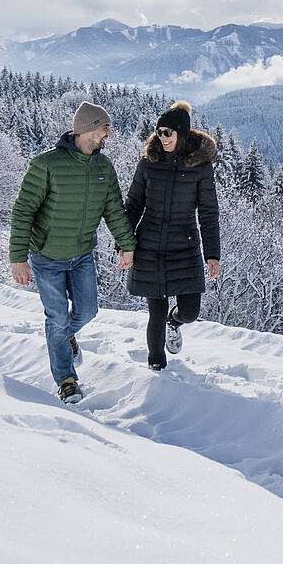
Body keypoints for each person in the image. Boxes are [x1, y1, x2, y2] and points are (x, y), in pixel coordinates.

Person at [9, 101, 134, 402]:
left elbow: (114, 210)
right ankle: (66, 379)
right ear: (89, 129)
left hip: (82, 256)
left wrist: (127, 245)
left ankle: (63, 338)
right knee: (56, 317)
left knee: (88, 310)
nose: (109, 135)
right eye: (105, 128)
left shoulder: (104, 167)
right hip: (46, 257)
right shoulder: (47, 164)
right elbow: (23, 210)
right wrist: (18, 258)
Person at [125, 101, 220, 370]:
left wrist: (212, 255)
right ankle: (156, 366)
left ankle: (174, 322)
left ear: (181, 133)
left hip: (185, 246)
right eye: (159, 132)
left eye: (168, 132)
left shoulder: (200, 167)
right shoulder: (148, 163)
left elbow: (209, 213)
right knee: (155, 309)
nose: (162, 137)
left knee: (190, 312)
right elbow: (133, 205)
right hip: (149, 245)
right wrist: (125, 244)